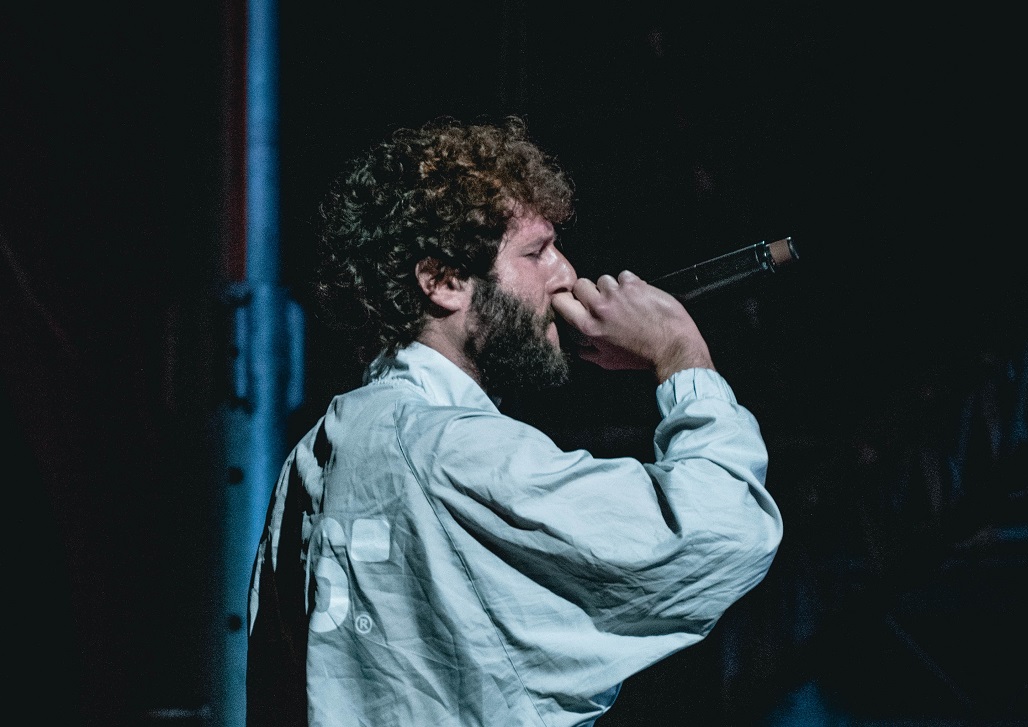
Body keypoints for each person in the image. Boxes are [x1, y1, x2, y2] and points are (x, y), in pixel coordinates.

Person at [246, 115, 783, 726]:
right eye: (536, 252)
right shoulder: (454, 452)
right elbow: (723, 529)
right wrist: (680, 354)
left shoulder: (318, 454)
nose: (566, 274)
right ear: (443, 281)